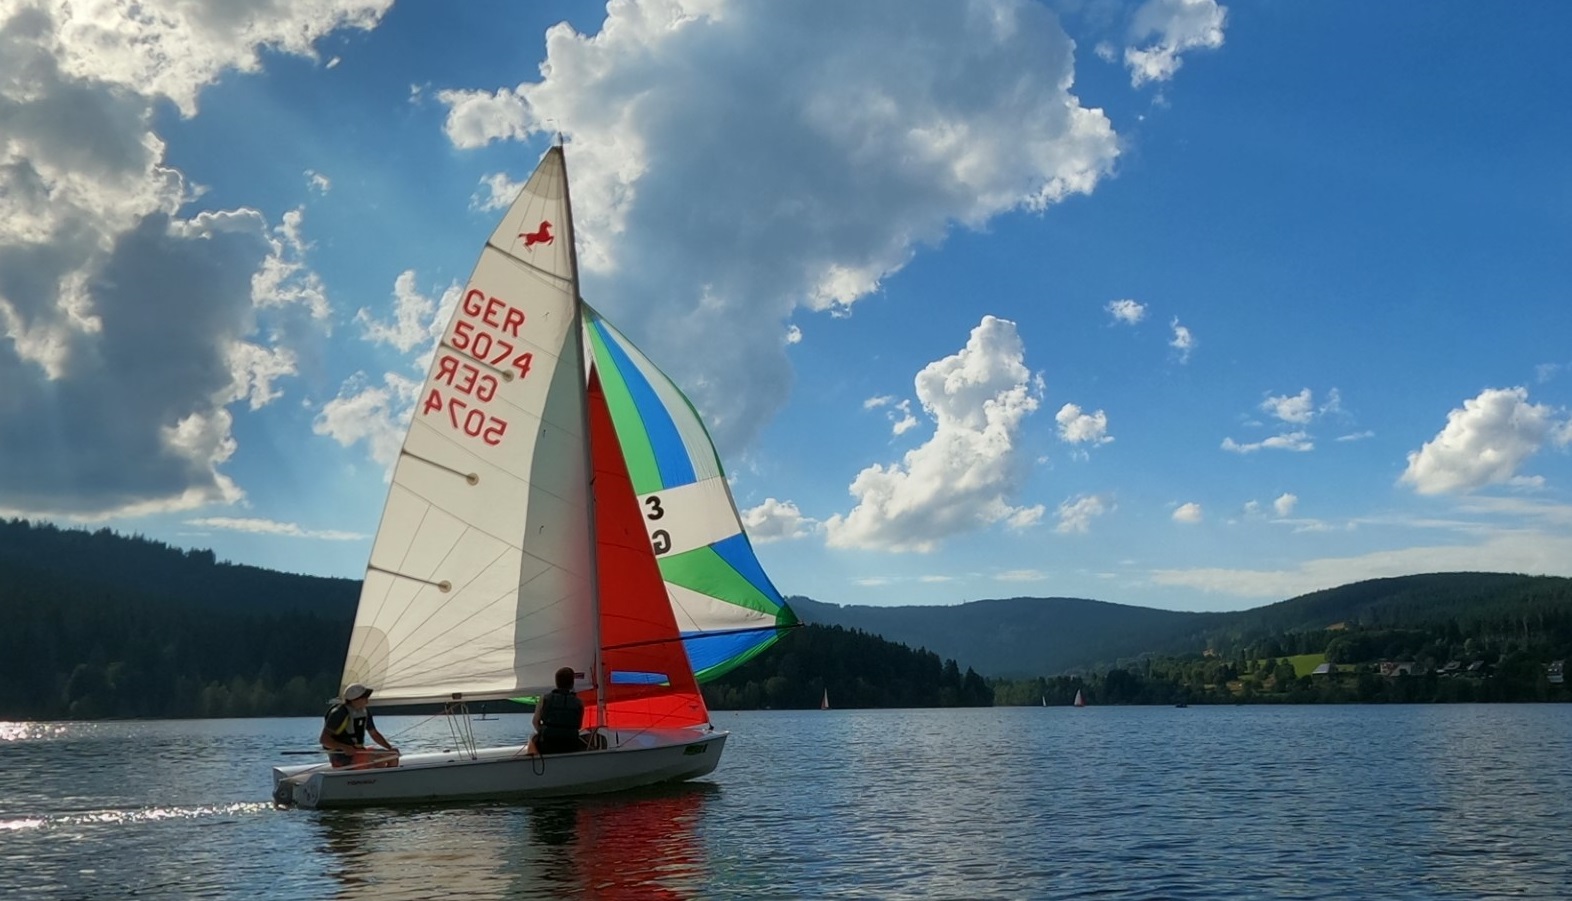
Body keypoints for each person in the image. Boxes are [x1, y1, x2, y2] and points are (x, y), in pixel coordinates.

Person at [320, 682, 399, 768]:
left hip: (359, 752)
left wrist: (389, 748)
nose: (367, 702)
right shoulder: (339, 713)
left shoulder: (364, 712)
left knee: (393, 755)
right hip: (342, 757)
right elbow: (324, 740)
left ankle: (387, 775)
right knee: (379, 760)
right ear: (355, 699)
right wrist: (344, 747)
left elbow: (374, 734)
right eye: (365, 698)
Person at [526, 667, 586, 756]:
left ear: (556, 682)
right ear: (572, 683)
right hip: (570, 744)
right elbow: (579, 725)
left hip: (547, 744)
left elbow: (535, 722)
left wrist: (543, 733)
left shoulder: (544, 699)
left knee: (532, 737)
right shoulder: (579, 702)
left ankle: (535, 761)